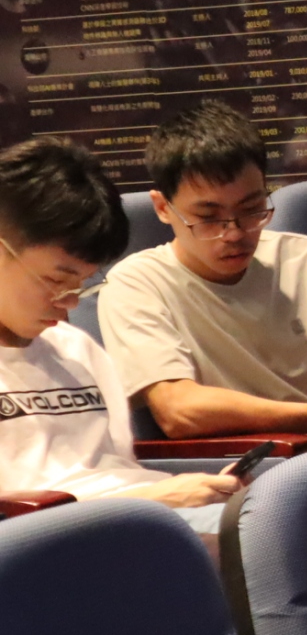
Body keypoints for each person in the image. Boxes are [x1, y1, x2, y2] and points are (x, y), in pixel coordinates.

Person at [99, 103, 307, 439]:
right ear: (163, 207)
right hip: (255, 459)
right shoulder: (135, 285)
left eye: (252, 210)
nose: (235, 234)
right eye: (208, 218)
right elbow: (178, 410)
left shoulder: (306, 257)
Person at [0, 139, 244, 532]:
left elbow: (119, 466)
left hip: (144, 519)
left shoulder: (75, 348)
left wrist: (168, 495)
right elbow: (21, 517)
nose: (70, 303)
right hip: (61, 541)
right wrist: (151, 500)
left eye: (81, 285)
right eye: (56, 281)